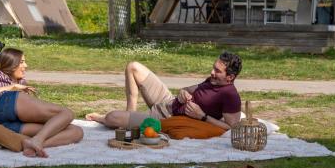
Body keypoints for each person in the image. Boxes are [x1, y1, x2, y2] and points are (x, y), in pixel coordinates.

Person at [86, 51, 242, 131]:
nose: (212, 72)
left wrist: (202, 116)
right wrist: (183, 92)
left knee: (112, 117)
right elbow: (189, 89)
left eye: (217, 71)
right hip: (170, 101)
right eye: (213, 68)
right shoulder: (213, 80)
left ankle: (104, 118)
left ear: (230, 77)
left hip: (166, 117)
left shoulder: (230, 95)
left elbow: (231, 127)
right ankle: (130, 113)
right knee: (133, 67)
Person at [0, 48, 82, 157]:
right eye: (22, 62)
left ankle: (33, 144)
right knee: (66, 113)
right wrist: (12, 87)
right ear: (11, 63)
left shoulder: (22, 82)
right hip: (4, 102)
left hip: (7, 124)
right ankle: (38, 139)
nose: (26, 66)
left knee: (76, 131)